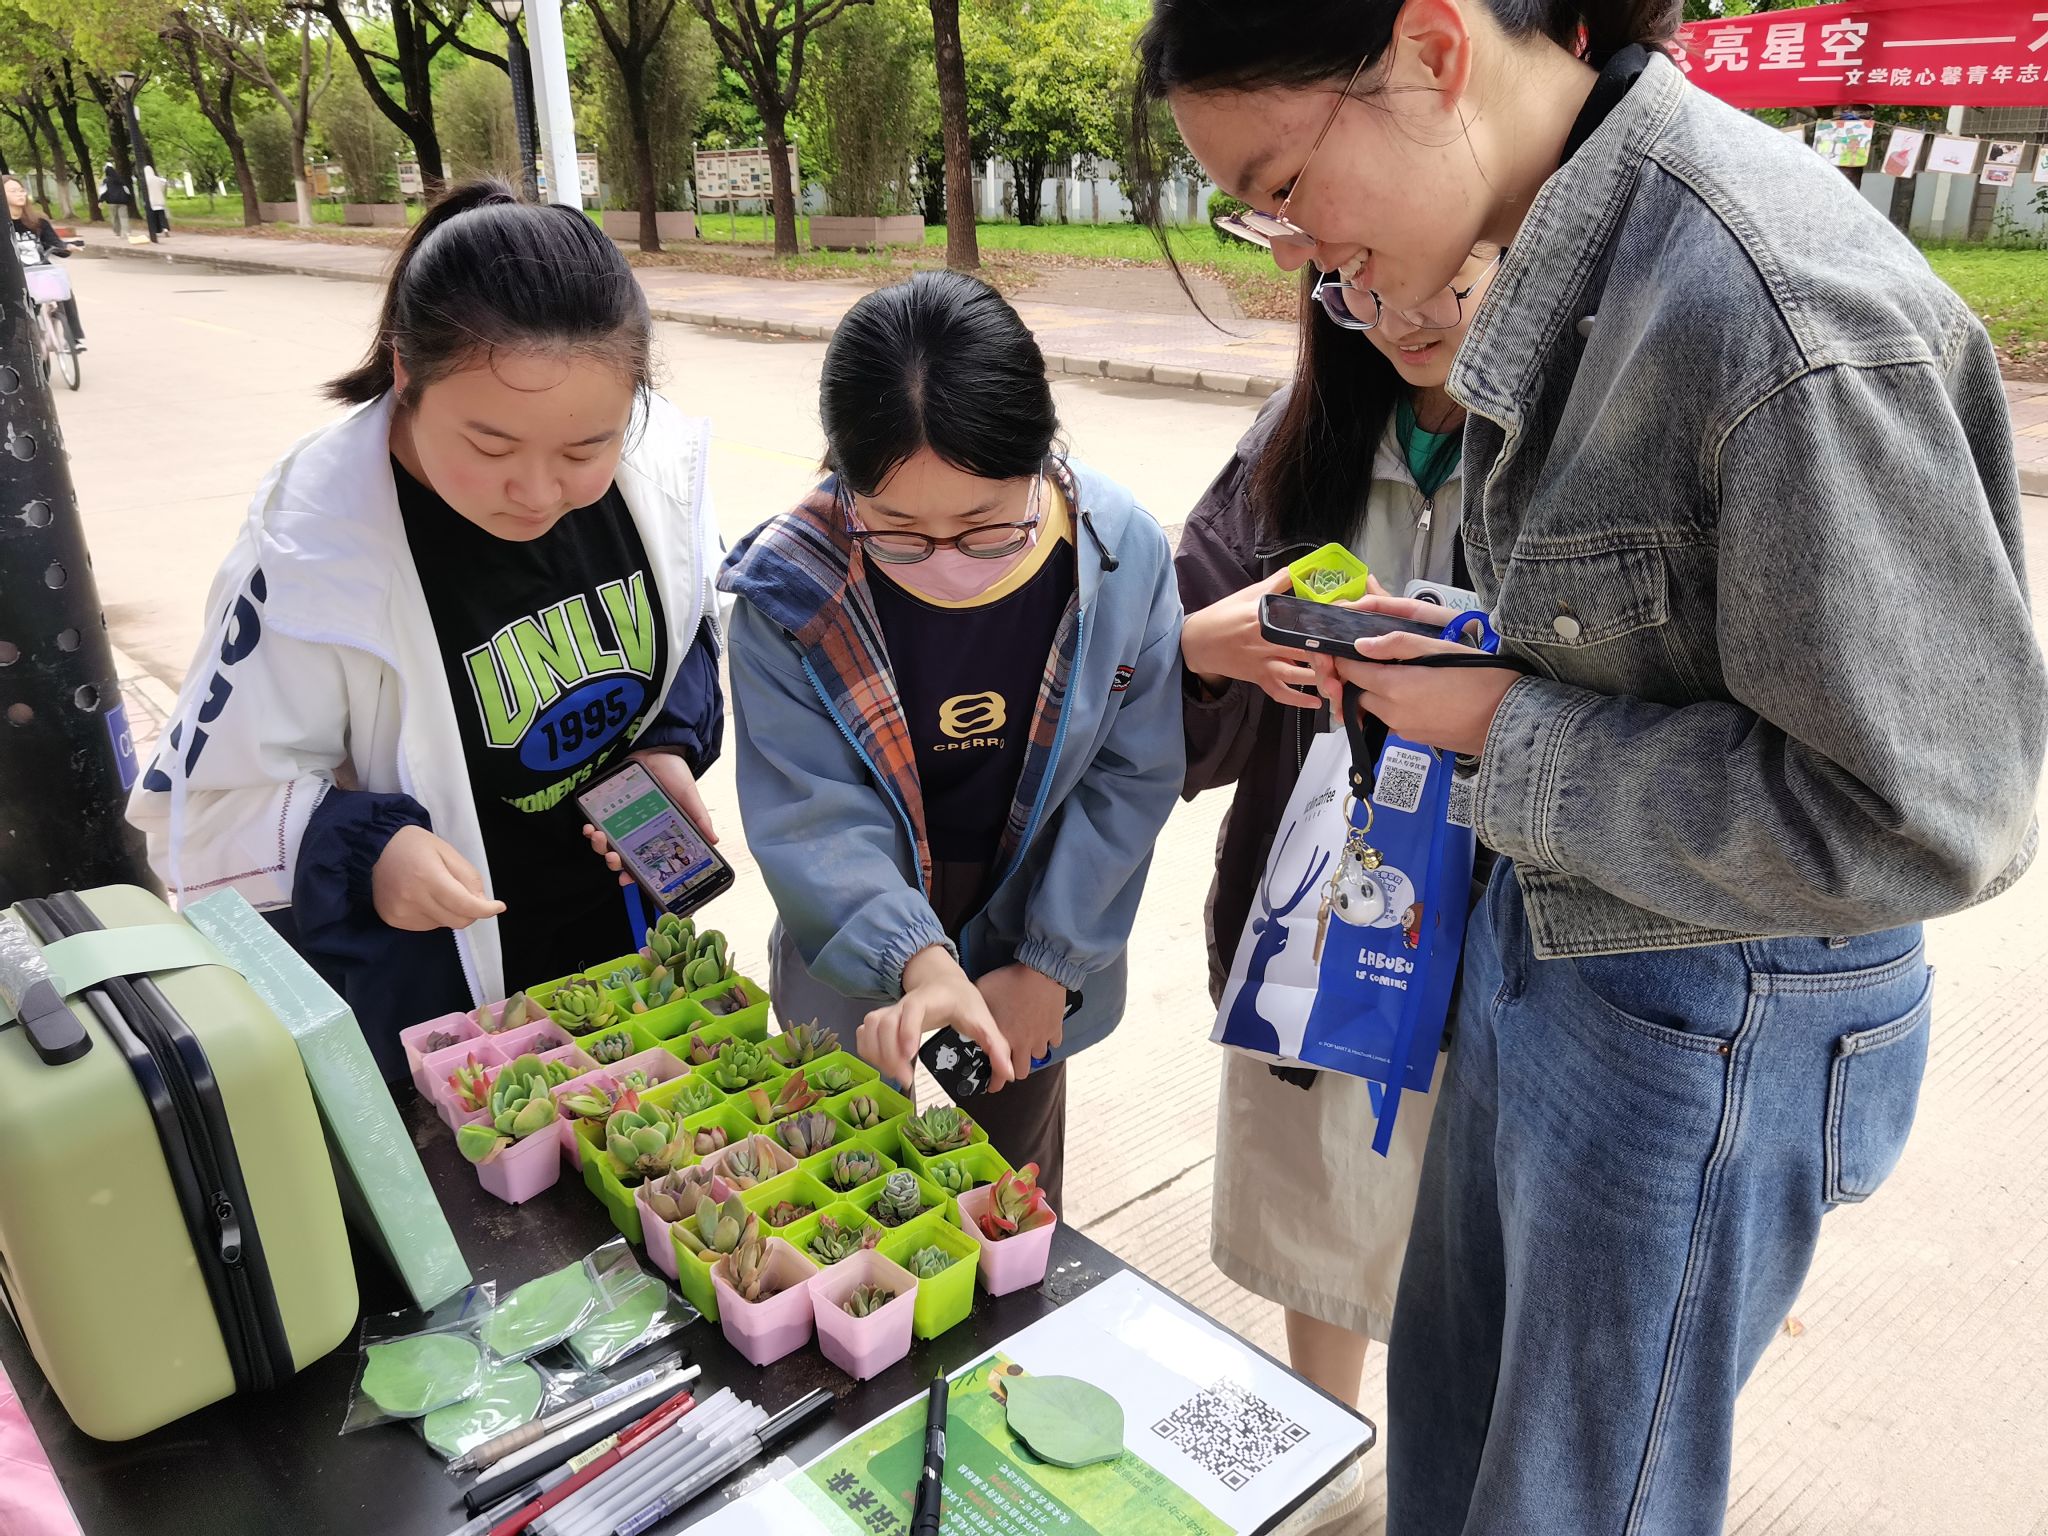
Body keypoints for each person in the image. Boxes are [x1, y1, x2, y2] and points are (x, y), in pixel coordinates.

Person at [1134, 3, 2047, 1532]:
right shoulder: (1572, 267)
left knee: (1569, 1501)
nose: (1296, 250)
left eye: (1284, 186)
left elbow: (1930, 815)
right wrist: (1474, 670)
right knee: (1451, 1451)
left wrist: (1506, 732)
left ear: (1434, 48)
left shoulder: (1773, 312)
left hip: (1695, 1029)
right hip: (1543, 961)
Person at [128, 180, 725, 1081]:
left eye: (583, 450)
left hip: (620, 943)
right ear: (406, 372)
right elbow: (197, 814)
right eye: (490, 447)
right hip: (438, 988)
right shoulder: (311, 552)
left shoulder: (658, 468)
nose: (538, 491)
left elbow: (694, 620)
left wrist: (668, 745)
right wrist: (365, 850)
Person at [715, 271, 1184, 1211]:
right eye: (895, 531)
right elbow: (814, 821)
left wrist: (1051, 963)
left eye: (984, 529)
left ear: (1042, 457)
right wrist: (915, 960)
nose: (945, 564)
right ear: (843, 480)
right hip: (856, 945)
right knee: (843, 1199)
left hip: (1034, 940)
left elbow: (1129, 777)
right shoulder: (790, 596)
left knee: (1012, 1198)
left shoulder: (1119, 554)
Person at [1178, 246, 1496, 1405]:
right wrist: (1199, 654)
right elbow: (1170, 690)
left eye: (1446, 277)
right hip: (1313, 910)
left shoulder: (1571, 449)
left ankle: (1440, 1463)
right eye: (1358, 282)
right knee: (1318, 1202)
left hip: (1495, 922)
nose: (1400, 314)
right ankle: (1330, 1437)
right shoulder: (1293, 438)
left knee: (1473, 1236)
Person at [5, 174, 85, 351]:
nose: (20, 194)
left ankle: (74, 337)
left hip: (41, 271)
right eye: (13, 191)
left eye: (21, 190)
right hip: (15, 275)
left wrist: (66, 247)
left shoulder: (38, 221)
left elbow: (54, 244)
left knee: (63, 290)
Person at [97, 163, 133, 240]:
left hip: (112, 202)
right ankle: (127, 232)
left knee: (114, 218)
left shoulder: (106, 181)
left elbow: (103, 192)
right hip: (122, 202)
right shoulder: (120, 179)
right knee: (124, 217)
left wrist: (100, 201)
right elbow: (126, 190)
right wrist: (129, 199)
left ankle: (117, 233)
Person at [142, 163, 170, 238]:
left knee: (152, 217)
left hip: (151, 201)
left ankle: (154, 231)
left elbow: (145, 191)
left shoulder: (145, 180)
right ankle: (165, 229)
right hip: (160, 200)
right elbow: (163, 187)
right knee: (161, 215)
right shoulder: (158, 179)